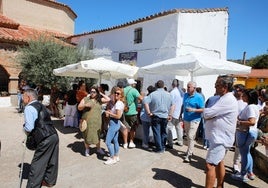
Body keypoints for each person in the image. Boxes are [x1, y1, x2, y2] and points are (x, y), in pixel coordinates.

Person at [203, 75, 238, 188]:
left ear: (225, 87)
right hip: (219, 137)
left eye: (217, 85)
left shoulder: (227, 99)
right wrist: (211, 115)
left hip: (221, 139)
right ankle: (220, 186)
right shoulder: (222, 98)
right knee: (219, 162)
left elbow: (207, 113)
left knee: (210, 165)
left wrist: (210, 115)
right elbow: (209, 113)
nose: (215, 87)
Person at [23, 88, 59, 187]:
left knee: (37, 164)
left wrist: (24, 129)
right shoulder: (41, 105)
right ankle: (49, 181)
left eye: (23, 96)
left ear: (28, 97)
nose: (22, 99)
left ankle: (33, 186)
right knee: (52, 159)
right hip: (53, 134)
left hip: (44, 138)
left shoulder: (29, 108)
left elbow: (29, 127)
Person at [232, 89, 259, 182]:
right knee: (247, 153)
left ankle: (243, 174)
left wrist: (239, 122)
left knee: (244, 154)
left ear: (249, 97)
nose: (242, 97)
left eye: (244, 95)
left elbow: (252, 122)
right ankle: (250, 172)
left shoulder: (250, 107)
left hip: (245, 132)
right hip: (250, 132)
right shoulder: (254, 106)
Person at [78, 86, 110, 157]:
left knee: (97, 135)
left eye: (94, 92)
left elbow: (108, 99)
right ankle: (87, 149)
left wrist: (101, 93)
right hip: (87, 122)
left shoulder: (99, 100)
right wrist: (85, 105)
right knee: (86, 135)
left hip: (97, 122)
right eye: (91, 91)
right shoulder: (86, 99)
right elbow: (79, 107)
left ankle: (98, 148)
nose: (92, 93)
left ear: (97, 93)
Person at [144, 80, 174, 153]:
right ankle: (162, 147)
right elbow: (173, 105)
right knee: (163, 132)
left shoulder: (152, 94)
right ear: (164, 86)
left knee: (157, 132)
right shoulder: (169, 94)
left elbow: (145, 103)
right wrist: (170, 114)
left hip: (155, 115)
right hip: (165, 116)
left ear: (156, 86)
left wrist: (148, 113)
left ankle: (159, 148)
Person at [180, 81, 204, 162]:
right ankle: (189, 151)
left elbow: (203, 109)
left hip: (195, 119)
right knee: (188, 136)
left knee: (190, 136)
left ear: (194, 88)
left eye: (189, 87)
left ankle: (189, 155)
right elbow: (183, 105)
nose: (187, 88)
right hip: (186, 118)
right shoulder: (185, 95)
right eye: (187, 87)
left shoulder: (199, 97)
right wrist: (180, 114)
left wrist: (193, 109)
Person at [104, 87, 125, 164]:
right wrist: (110, 112)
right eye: (115, 93)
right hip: (116, 123)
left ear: (121, 95)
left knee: (108, 142)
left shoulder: (119, 103)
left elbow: (118, 116)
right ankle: (116, 156)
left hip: (114, 123)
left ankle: (112, 158)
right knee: (115, 140)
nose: (116, 94)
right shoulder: (118, 103)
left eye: (118, 93)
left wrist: (109, 113)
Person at [123, 78, 143, 148]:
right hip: (132, 111)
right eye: (134, 83)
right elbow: (141, 98)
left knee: (125, 128)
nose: (135, 84)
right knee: (133, 128)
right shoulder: (134, 90)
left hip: (124, 111)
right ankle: (131, 142)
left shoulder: (123, 90)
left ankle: (125, 143)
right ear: (132, 84)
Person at [232, 84, 247, 174]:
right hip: (230, 125)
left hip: (239, 126)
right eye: (235, 90)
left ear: (241, 91)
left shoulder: (245, 103)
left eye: (237, 90)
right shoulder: (232, 100)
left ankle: (236, 164)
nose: (235, 92)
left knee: (238, 147)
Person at [167, 79, 184, 148]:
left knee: (169, 128)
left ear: (172, 84)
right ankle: (180, 141)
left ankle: (170, 143)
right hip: (179, 113)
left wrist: (169, 114)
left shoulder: (172, 92)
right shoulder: (181, 92)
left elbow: (170, 104)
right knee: (179, 128)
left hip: (173, 113)